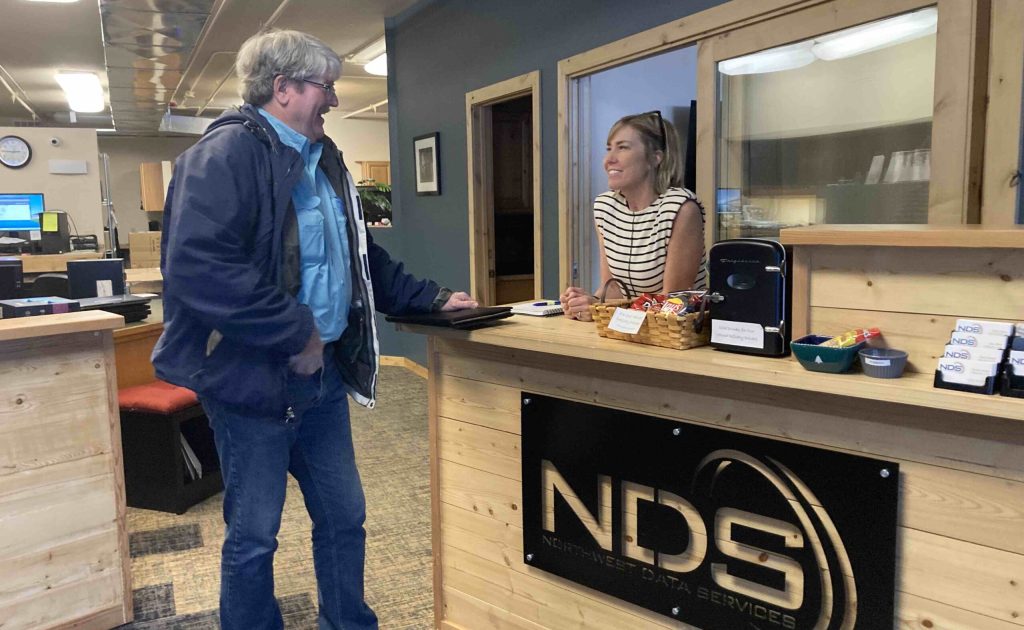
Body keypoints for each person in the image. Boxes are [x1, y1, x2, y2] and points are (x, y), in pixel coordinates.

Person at [151, 29, 476, 630]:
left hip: (319, 383)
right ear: (284, 89)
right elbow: (199, 269)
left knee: (344, 517)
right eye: (325, 87)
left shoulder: (322, 159)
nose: (332, 99)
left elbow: (360, 256)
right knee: (254, 535)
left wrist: (430, 298)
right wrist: (294, 331)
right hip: (251, 383)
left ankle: (348, 623)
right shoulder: (223, 157)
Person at [560, 111, 706, 321]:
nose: (609, 159)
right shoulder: (604, 207)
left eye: (623, 147)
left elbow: (673, 302)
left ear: (656, 157)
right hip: (629, 334)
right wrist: (586, 302)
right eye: (609, 149)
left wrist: (605, 312)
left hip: (674, 337)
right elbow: (612, 290)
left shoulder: (681, 208)